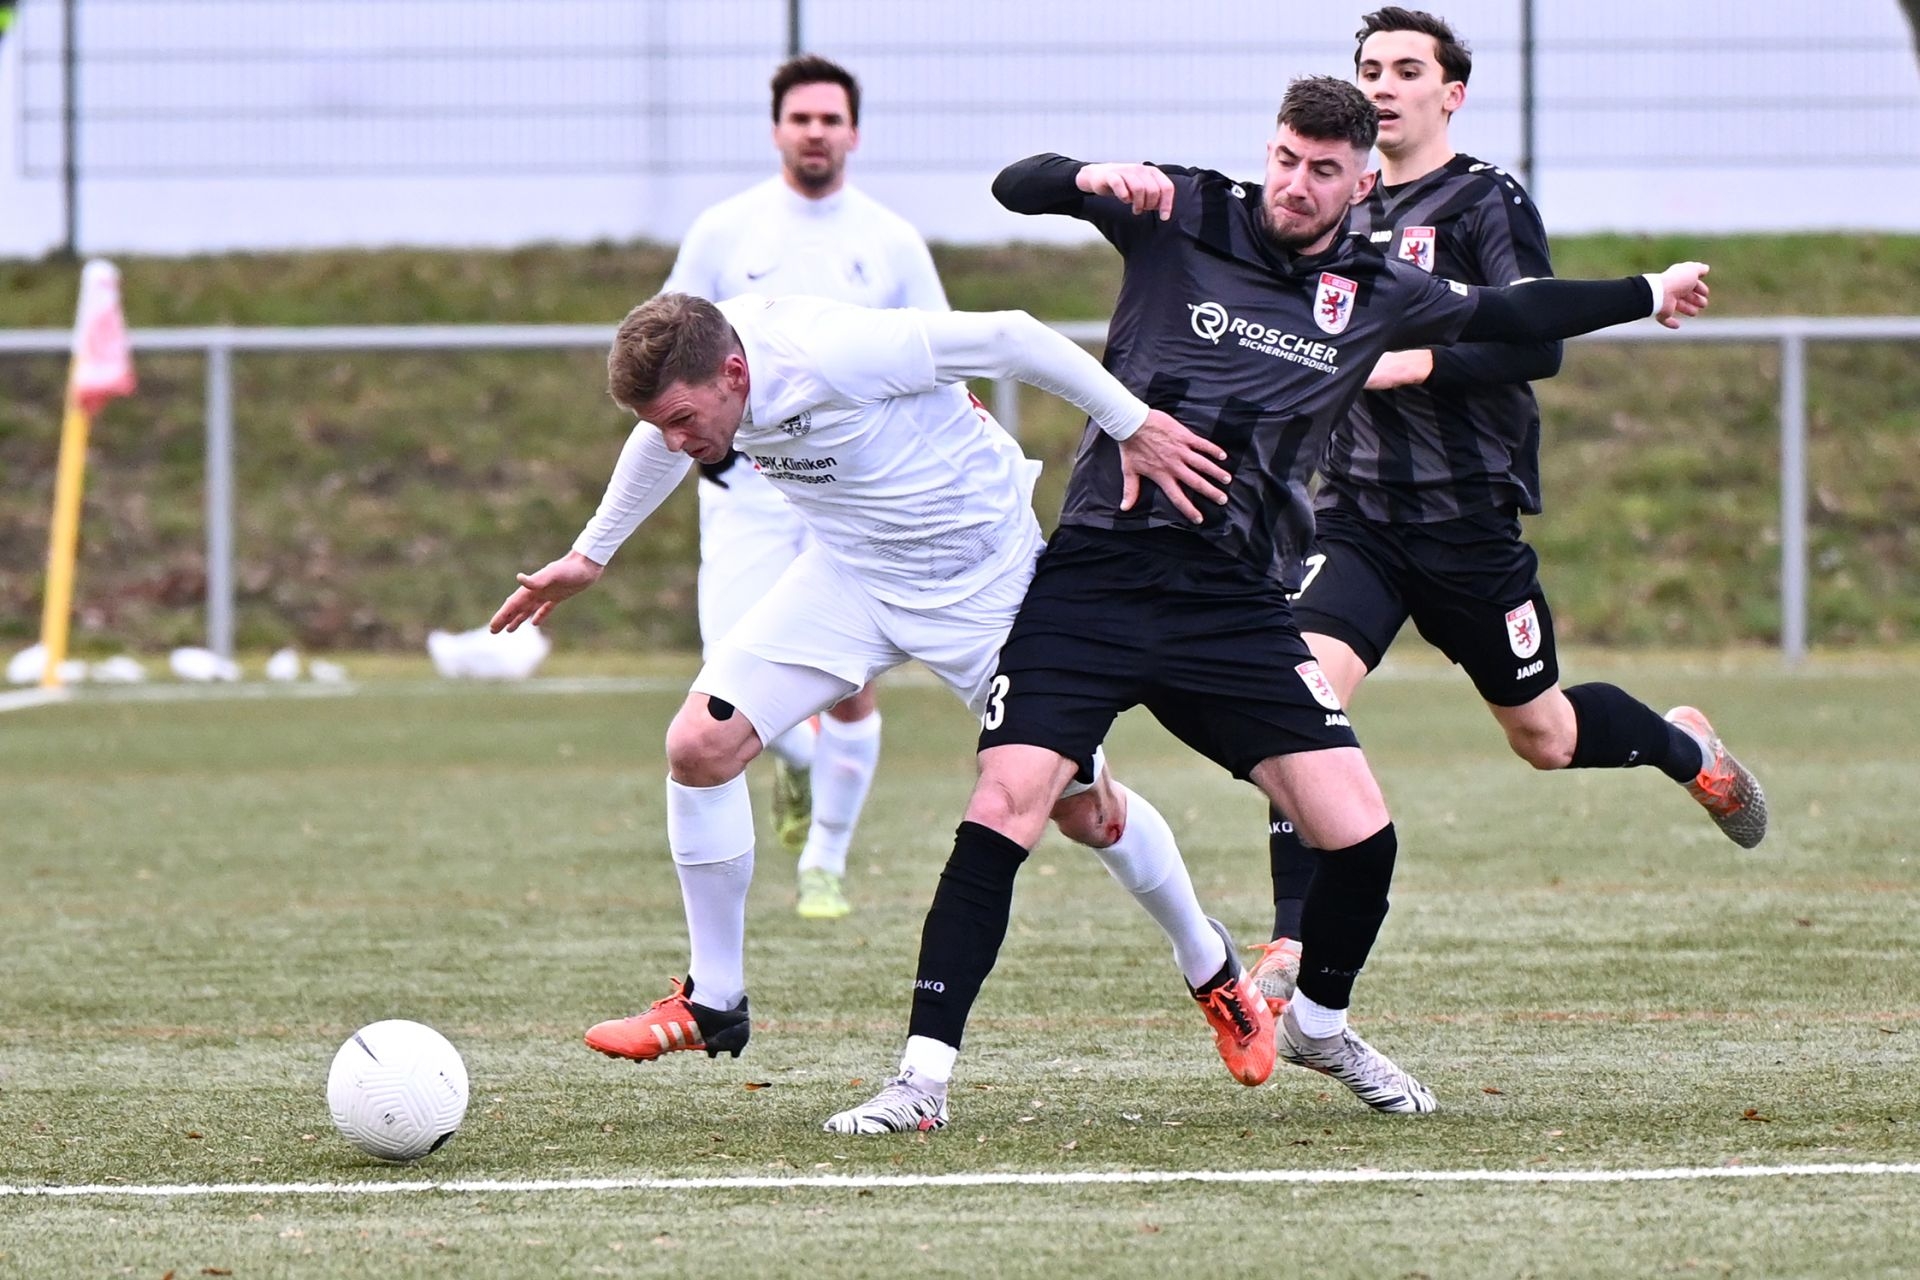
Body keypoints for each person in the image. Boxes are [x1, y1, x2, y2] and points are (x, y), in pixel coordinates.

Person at [824, 74, 1714, 1135]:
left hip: (1234, 603)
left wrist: (1648, 289)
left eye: (1323, 171)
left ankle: (1322, 1026)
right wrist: (1086, 173)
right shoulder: (1185, 209)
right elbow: (1016, 186)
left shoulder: (1376, 287)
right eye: (1286, 159)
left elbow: (1515, 313)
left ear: (1360, 184)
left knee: (1361, 834)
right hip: (1098, 577)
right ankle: (921, 1081)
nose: (1296, 184)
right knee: (1004, 805)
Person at [490, 291, 1278, 1092]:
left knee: (1086, 811)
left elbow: (1011, 336)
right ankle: (714, 999)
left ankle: (1210, 967)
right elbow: (659, 436)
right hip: (853, 577)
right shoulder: (702, 389)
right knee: (700, 745)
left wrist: (1132, 424)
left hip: (982, 584)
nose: (675, 440)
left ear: (734, 373)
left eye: (684, 419)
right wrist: (590, 555)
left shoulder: (834, 349)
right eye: (662, 423)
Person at [1247, 9, 1767, 1012]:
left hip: (1467, 521)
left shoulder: (1487, 199)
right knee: (1298, 696)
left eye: (1408, 69)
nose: (1384, 84)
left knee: (1546, 736)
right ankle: (1291, 938)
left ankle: (1686, 749)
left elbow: (1537, 344)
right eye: (1370, 67)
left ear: (1452, 94)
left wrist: (1412, 362)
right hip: (1353, 517)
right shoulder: (1331, 202)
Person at [663, 54, 951, 920]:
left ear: (853, 132)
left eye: (830, 119)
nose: (815, 132)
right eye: (801, 118)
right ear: (777, 129)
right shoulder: (725, 231)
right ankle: (794, 763)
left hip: (852, 497)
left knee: (849, 677)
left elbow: (936, 356)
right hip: (748, 491)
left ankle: (825, 857)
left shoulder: (889, 241)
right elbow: (668, 350)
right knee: (728, 682)